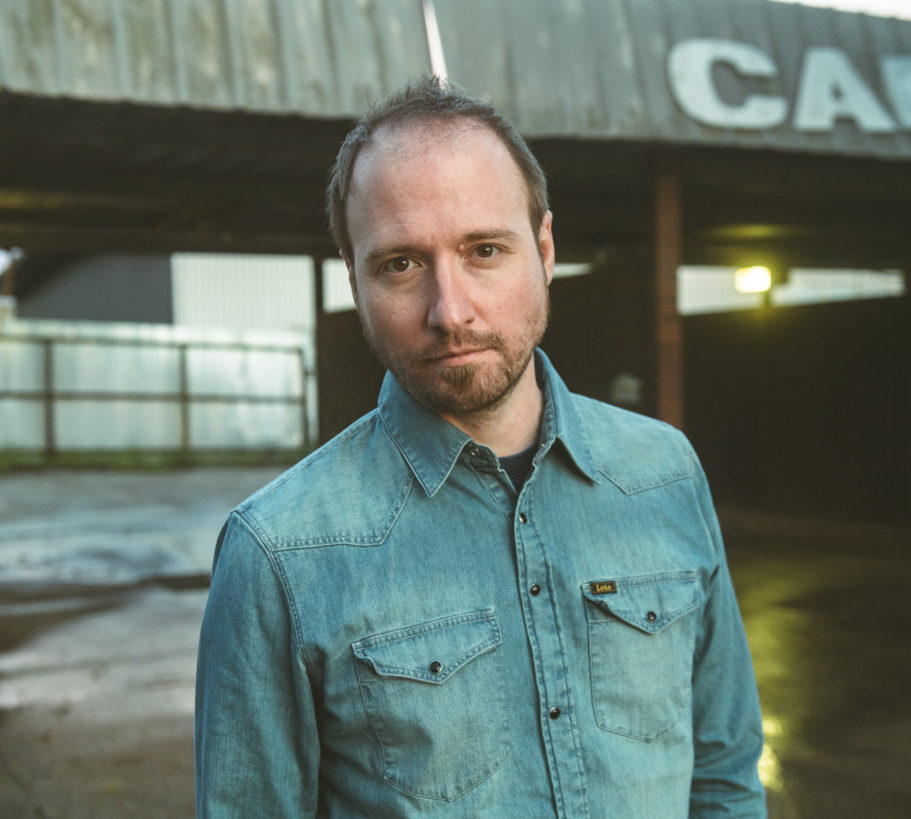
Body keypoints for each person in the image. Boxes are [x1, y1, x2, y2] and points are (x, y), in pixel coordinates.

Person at [194, 75, 766, 817]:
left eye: (485, 250)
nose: (450, 311)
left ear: (545, 250)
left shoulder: (664, 473)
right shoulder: (278, 552)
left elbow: (724, 774)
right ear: (356, 283)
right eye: (401, 264)